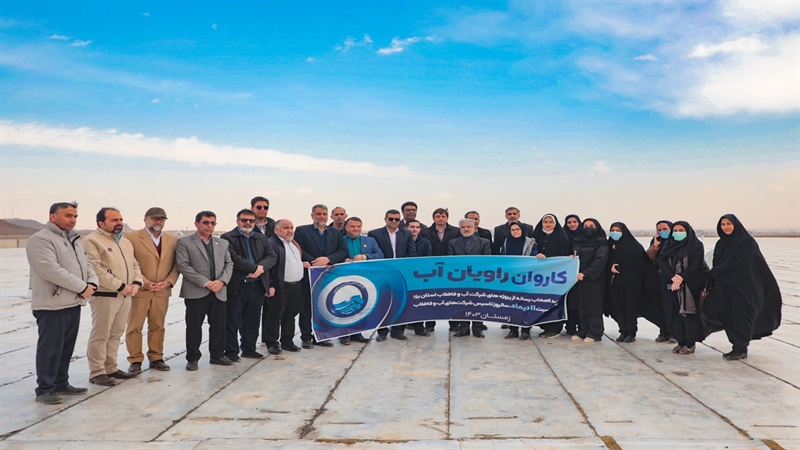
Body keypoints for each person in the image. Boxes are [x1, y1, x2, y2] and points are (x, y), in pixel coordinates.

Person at [26, 202, 98, 404]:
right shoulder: (40, 239)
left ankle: (60, 383)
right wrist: (82, 287)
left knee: (66, 346)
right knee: (50, 348)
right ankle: (45, 389)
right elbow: (50, 270)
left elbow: (86, 265)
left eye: (75, 216)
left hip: (72, 302)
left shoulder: (73, 239)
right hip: (52, 303)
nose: (72, 220)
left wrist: (92, 283)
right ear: (52, 217)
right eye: (68, 215)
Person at [703, 214, 782, 360]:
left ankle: (741, 348)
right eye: (723, 224)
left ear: (736, 225)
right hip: (724, 288)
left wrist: (716, 272)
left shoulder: (747, 243)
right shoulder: (721, 244)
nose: (726, 227)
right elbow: (717, 263)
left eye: (729, 224)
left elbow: (740, 264)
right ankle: (736, 346)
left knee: (741, 317)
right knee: (727, 317)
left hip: (742, 289)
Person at [83, 207, 143, 386]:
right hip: (105, 295)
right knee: (101, 334)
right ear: (101, 223)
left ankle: (111, 368)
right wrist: (121, 286)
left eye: (120, 219)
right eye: (114, 220)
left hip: (126, 295)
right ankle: (97, 371)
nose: (119, 223)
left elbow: (134, 265)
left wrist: (136, 283)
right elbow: (95, 269)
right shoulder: (92, 241)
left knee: (116, 333)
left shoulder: (124, 241)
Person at [124, 207, 180, 374]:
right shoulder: (131, 238)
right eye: (154, 218)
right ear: (145, 219)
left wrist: (169, 282)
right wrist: (145, 283)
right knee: (135, 326)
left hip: (162, 291)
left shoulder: (172, 240)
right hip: (140, 291)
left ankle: (156, 357)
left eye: (161, 219)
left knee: (158, 325)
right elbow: (129, 264)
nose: (158, 221)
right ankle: (135, 359)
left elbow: (177, 264)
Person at [176, 211, 234, 370]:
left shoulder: (222, 243)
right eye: (206, 222)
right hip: (196, 291)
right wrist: (206, 283)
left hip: (219, 291)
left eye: (213, 223)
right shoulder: (184, 242)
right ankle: (193, 358)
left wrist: (221, 281)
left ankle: (217, 355)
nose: (209, 226)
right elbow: (183, 265)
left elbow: (229, 264)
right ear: (197, 224)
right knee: (194, 327)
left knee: (218, 326)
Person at [221, 209, 277, 360]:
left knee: (252, 320)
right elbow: (233, 258)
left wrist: (260, 269)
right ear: (237, 221)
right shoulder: (227, 238)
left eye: (251, 221)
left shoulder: (261, 238)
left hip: (257, 285)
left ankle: (249, 349)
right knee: (232, 320)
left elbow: (271, 256)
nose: (247, 223)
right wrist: (253, 268)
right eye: (244, 220)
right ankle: (231, 352)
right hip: (237, 285)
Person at [293, 204, 348, 349]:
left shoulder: (336, 233)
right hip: (309, 275)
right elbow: (299, 249)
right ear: (312, 216)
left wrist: (328, 259)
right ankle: (306, 337)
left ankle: (321, 336)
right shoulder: (302, 230)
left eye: (324, 214)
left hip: (328, 276)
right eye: (318, 214)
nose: (321, 216)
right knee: (306, 307)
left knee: (324, 306)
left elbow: (342, 251)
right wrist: (316, 262)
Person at [658, 221, 706, 355]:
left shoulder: (695, 246)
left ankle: (689, 343)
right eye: (675, 231)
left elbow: (696, 263)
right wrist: (672, 277)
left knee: (688, 313)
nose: (677, 233)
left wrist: (681, 277)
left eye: (681, 231)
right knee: (674, 314)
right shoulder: (668, 245)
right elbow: (662, 260)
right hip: (670, 283)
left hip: (689, 285)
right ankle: (680, 340)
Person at [369, 209, 417, 341]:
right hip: (383, 273)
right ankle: (382, 332)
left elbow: (412, 253)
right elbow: (374, 253)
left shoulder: (406, 234)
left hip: (401, 273)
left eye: (397, 219)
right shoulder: (375, 234)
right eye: (391, 219)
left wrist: (401, 265)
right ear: (385, 219)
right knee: (382, 302)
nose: (394, 221)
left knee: (401, 302)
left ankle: (397, 331)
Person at [339, 216, 383, 345]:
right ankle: (343, 334)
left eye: (358, 226)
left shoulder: (370, 241)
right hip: (344, 279)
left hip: (364, 279)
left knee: (359, 305)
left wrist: (364, 257)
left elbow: (380, 255)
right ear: (346, 227)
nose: (356, 229)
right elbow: (334, 254)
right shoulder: (339, 240)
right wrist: (342, 260)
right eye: (353, 226)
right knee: (345, 306)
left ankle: (357, 333)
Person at [265, 220, 305, 354]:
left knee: (290, 314)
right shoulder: (272, 244)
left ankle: (287, 341)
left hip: (295, 286)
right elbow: (268, 267)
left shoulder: (293, 244)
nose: (290, 230)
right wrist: (270, 285)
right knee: (275, 315)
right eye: (286, 228)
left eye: (291, 227)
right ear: (276, 230)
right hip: (280, 286)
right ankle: (272, 343)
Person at [448, 218, 492, 338]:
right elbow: (451, 261)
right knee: (462, 303)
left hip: (478, 279)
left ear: (474, 228)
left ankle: (477, 328)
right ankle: (464, 328)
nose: (466, 229)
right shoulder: (453, 243)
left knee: (478, 304)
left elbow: (487, 260)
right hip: (460, 279)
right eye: (463, 227)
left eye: (468, 227)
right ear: (460, 229)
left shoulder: (484, 242)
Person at [531, 214, 572, 338]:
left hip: (556, 275)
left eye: (551, 222)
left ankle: (555, 328)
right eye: (546, 222)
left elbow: (565, 254)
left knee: (554, 300)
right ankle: (545, 327)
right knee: (541, 300)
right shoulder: (536, 236)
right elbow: (531, 250)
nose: (548, 224)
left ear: (555, 224)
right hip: (539, 276)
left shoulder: (562, 237)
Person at [606, 222, 647, 343]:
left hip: (631, 283)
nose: (615, 233)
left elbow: (638, 262)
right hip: (615, 283)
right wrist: (611, 266)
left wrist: (619, 249)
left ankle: (631, 332)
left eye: (618, 230)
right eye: (612, 230)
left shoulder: (634, 246)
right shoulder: (609, 245)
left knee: (630, 307)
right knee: (617, 308)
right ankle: (623, 331)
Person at [571, 218, 609, 343]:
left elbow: (600, 260)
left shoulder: (601, 242)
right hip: (579, 277)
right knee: (582, 305)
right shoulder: (579, 241)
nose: (588, 228)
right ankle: (583, 330)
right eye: (585, 226)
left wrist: (586, 273)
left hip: (594, 278)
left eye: (591, 225)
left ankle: (595, 332)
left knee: (593, 306)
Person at [422, 207, 460, 332]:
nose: (441, 218)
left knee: (452, 296)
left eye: (443, 216)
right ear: (433, 218)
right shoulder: (425, 232)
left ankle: (454, 324)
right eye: (438, 216)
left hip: (450, 269)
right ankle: (430, 324)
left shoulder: (456, 231)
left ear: (447, 218)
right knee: (431, 296)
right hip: (432, 269)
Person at [500, 222, 537, 340]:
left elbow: (534, 257)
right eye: (513, 230)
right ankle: (513, 330)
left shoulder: (530, 243)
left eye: (517, 229)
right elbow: (503, 257)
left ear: (522, 230)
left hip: (526, 278)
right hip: (511, 278)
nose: (515, 231)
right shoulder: (507, 242)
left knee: (525, 304)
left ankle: (526, 330)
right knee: (511, 304)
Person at [643, 220, 675, 343]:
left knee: (673, 308)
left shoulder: (676, 243)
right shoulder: (656, 243)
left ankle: (675, 333)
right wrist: (654, 248)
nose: (662, 232)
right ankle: (664, 331)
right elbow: (647, 259)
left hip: (674, 279)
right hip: (659, 280)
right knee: (660, 308)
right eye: (659, 230)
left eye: (665, 229)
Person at [406, 219, 434, 334]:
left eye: (417, 227)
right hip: (406, 275)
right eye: (412, 227)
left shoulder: (425, 242)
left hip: (420, 276)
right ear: (406, 228)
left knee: (420, 302)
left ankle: (419, 328)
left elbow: (428, 259)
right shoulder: (402, 241)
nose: (415, 229)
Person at [562, 214, 582, 335]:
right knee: (568, 301)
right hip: (566, 275)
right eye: (569, 222)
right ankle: (570, 326)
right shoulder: (562, 236)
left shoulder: (584, 236)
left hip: (581, 274)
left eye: (575, 222)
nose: (572, 224)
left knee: (580, 302)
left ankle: (581, 326)